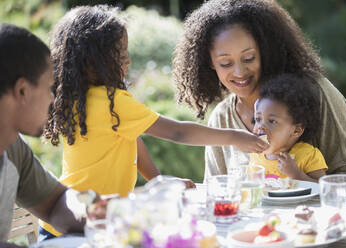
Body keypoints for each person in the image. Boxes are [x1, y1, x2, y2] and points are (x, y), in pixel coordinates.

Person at [40, 5, 269, 238]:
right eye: (120, 56)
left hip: (66, 217)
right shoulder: (113, 102)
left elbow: (132, 141)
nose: (127, 62)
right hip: (84, 224)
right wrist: (234, 137)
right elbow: (177, 132)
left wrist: (160, 181)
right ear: (91, 63)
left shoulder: (74, 100)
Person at [172, 0, 346, 192]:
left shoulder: (316, 93)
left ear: (266, 50)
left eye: (249, 58)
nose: (239, 72)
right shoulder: (222, 118)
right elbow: (217, 194)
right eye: (225, 63)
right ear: (211, 63)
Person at [0, 23, 90, 247]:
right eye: (49, 87)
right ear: (22, 91)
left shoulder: (11, 147)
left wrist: (98, 212)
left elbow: (55, 202)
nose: (52, 98)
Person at [250, 74, 327, 182]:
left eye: (272, 121)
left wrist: (298, 175)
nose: (260, 126)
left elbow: (324, 189)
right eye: (258, 119)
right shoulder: (254, 155)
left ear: (296, 130)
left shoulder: (308, 155)